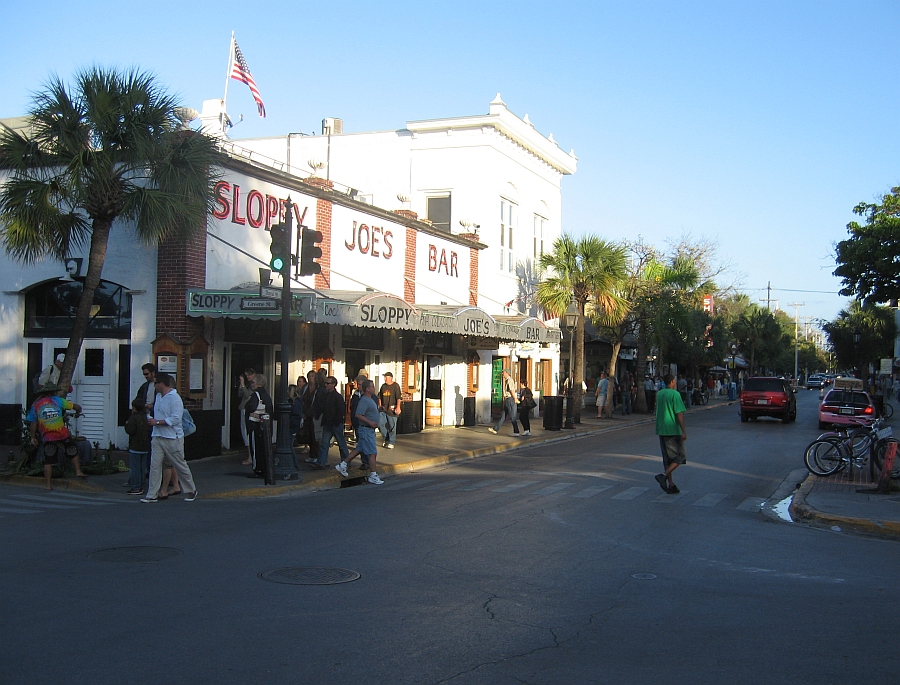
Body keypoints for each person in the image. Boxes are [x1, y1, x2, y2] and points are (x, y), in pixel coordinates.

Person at [141, 373, 198, 502]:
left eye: (156, 383)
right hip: (157, 436)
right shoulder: (159, 397)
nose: (154, 385)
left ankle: (191, 490)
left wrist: (157, 422)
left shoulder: (175, 398)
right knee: (155, 466)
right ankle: (152, 494)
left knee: (179, 464)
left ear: (161, 384)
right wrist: (151, 419)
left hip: (172, 437)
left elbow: (176, 418)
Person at [26, 384, 85, 490]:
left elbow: (33, 423)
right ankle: (78, 471)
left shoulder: (36, 405)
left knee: (48, 460)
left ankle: (48, 485)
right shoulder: (58, 400)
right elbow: (75, 406)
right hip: (62, 433)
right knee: (72, 450)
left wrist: (33, 437)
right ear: (53, 392)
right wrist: (78, 410)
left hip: (48, 437)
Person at [335, 380, 384, 484]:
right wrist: (370, 422)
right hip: (366, 429)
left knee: (359, 449)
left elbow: (369, 411)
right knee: (372, 453)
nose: (374, 389)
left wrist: (379, 410)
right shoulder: (364, 400)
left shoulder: (370, 399)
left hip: (368, 430)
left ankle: (343, 464)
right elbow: (358, 414)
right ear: (367, 389)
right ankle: (373, 475)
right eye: (372, 387)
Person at [655, 373, 687, 495]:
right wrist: (683, 430)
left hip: (661, 429)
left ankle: (671, 484)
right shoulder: (675, 394)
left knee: (667, 459)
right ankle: (663, 476)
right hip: (672, 429)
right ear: (672, 381)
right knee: (680, 457)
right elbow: (679, 413)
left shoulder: (660, 394)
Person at [314, 376, 350, 468]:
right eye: (325, 383)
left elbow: (340, 411)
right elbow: (323, 408)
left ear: (333, 385)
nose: (325, 385)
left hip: (335, 424)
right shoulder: (326, 395)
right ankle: (321, 462)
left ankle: (346, 463)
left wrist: (337, 422)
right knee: (324, 444)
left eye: (328, 383)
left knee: (341, 444)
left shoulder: (337, 397)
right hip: (327, 423)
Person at [245, 373, 274, 478]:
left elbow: (250, 407)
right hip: (265, 426)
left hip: (255, 426)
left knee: (255, 448)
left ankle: (257, 469)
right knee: (263, 448)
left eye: (253, 382)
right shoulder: (267, 395)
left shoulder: (255, 395)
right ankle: (264, 468)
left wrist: (248, 405)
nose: (251, 384)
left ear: (258, 383)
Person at [124, 398, 151, 495]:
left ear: (134, 408)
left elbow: (130, 430)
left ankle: (136, 487)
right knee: (142, 467)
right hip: (145, 446)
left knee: (135, 468)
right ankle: (142, 483)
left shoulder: (134, 418)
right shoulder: (147, 417)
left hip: (135, 446)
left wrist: (126, 425)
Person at [489, 369, 519, 435]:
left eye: (503, 373)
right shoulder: (507, 380)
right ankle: (495, 429)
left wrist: (515, 398)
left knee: (512, 416)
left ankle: (516, 431)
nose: (502, 374)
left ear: (507, 373)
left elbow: (511, 390)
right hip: (507, 399)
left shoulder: (510, 380)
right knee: (503, 415)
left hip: (510, 399)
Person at [377, 371, 402, 449]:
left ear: (391, 378)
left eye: (386, 377)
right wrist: (380, 406)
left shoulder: (395, 386)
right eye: (384, 377)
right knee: (380, 423)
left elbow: (399, 398)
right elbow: (379, 396)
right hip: (384, 409)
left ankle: (391, 442)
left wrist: (398, 407)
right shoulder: (383, 386)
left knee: (392, 427)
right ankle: (386, 438)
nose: (384, 379)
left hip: (392, 409)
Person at [237, 368, 256, 465]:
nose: (248, 377)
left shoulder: (254, 385)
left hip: (248, 410)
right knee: (244, 433)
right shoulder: (248, 385)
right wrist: (241, 385)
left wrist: (243, 385)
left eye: (249, 375)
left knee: (248, 433)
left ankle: (251, 457)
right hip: (243, 409)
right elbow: (240, 394)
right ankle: (250, 455)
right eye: (246, 375)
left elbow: (248, 395)